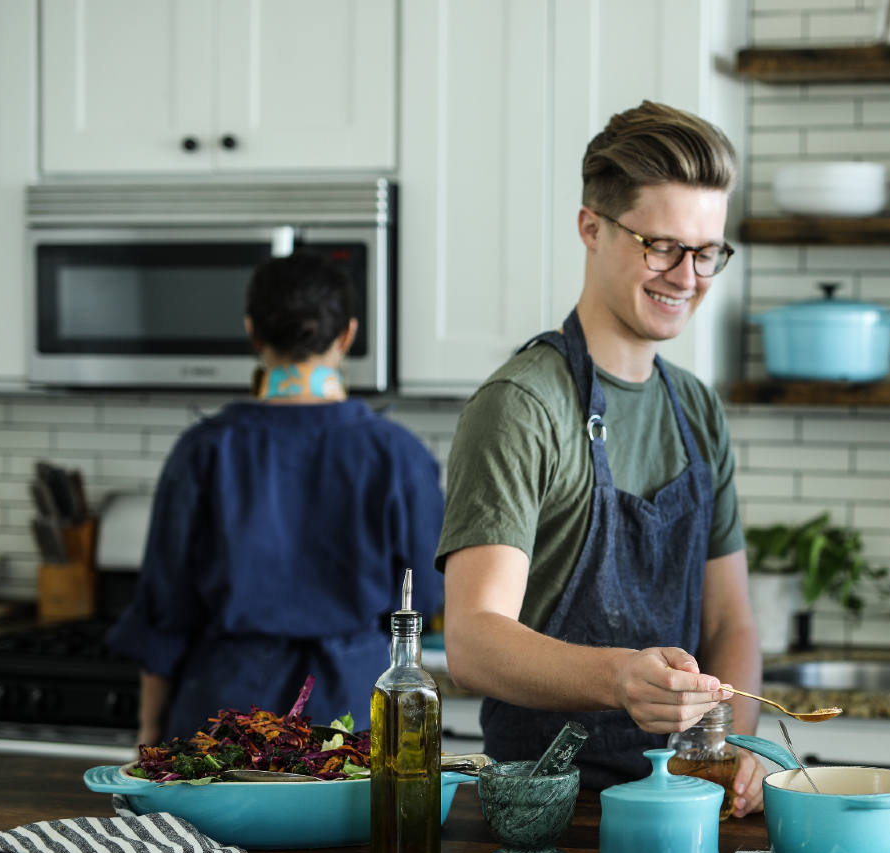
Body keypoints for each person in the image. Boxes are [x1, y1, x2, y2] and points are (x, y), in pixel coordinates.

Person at [438, 101, 765, 811]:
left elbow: (730, 621)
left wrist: (736, 739)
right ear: (592, 226)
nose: (687, 276)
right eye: (661, 246)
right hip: (548, 818)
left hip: (684, 805)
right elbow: (471, 639)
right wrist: (622, 677)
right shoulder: (523, 405)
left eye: (706, 252)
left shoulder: (697, 409)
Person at [109, 253, 444, 744]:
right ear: (348, 335)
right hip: (354, 713)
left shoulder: (203, 450)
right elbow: (426, 598)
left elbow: (164, 614)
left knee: (202, 827)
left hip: (223, 716)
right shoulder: (399, 456)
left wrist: (149, 733)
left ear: (253, 334)